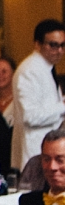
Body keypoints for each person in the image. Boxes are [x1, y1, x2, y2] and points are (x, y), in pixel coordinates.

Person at [12, 19, 65, 178]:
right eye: (53, 45)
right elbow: (31, 116)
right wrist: (63, 106)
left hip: (48, 151)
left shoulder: (45, 68)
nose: (59, 50)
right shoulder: (30, 70)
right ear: (37, 44)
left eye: (63, 45)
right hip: (35, 152)